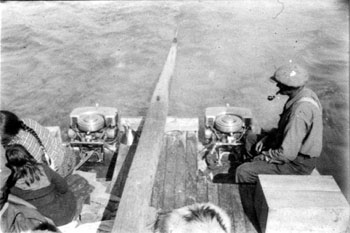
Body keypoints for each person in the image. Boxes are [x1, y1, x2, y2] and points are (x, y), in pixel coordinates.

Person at [235, 62, 323, 183]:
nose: (277, 85)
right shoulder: (306, 95)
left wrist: (262, 157)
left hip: (297, 165)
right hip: (293, 151)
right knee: (251, 139)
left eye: (280, 83)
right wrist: (268, 138)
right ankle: (257, 169)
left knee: (243, 171)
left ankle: (251, 185)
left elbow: (286, 154)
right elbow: (291, 132)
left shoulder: (299, 112)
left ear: (289, 87)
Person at [4, 144, 77, 226]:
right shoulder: (43, 168)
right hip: (62, 216)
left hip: (38, 217)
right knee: (70, 189)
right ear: (27, 155)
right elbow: (63, 187)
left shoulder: (9, 182)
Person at [0, 110, 75, 177]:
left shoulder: (20, 148)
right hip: (67, 155)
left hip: (60, 170)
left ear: (7, 137)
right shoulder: (26, 122)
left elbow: (35, 175)